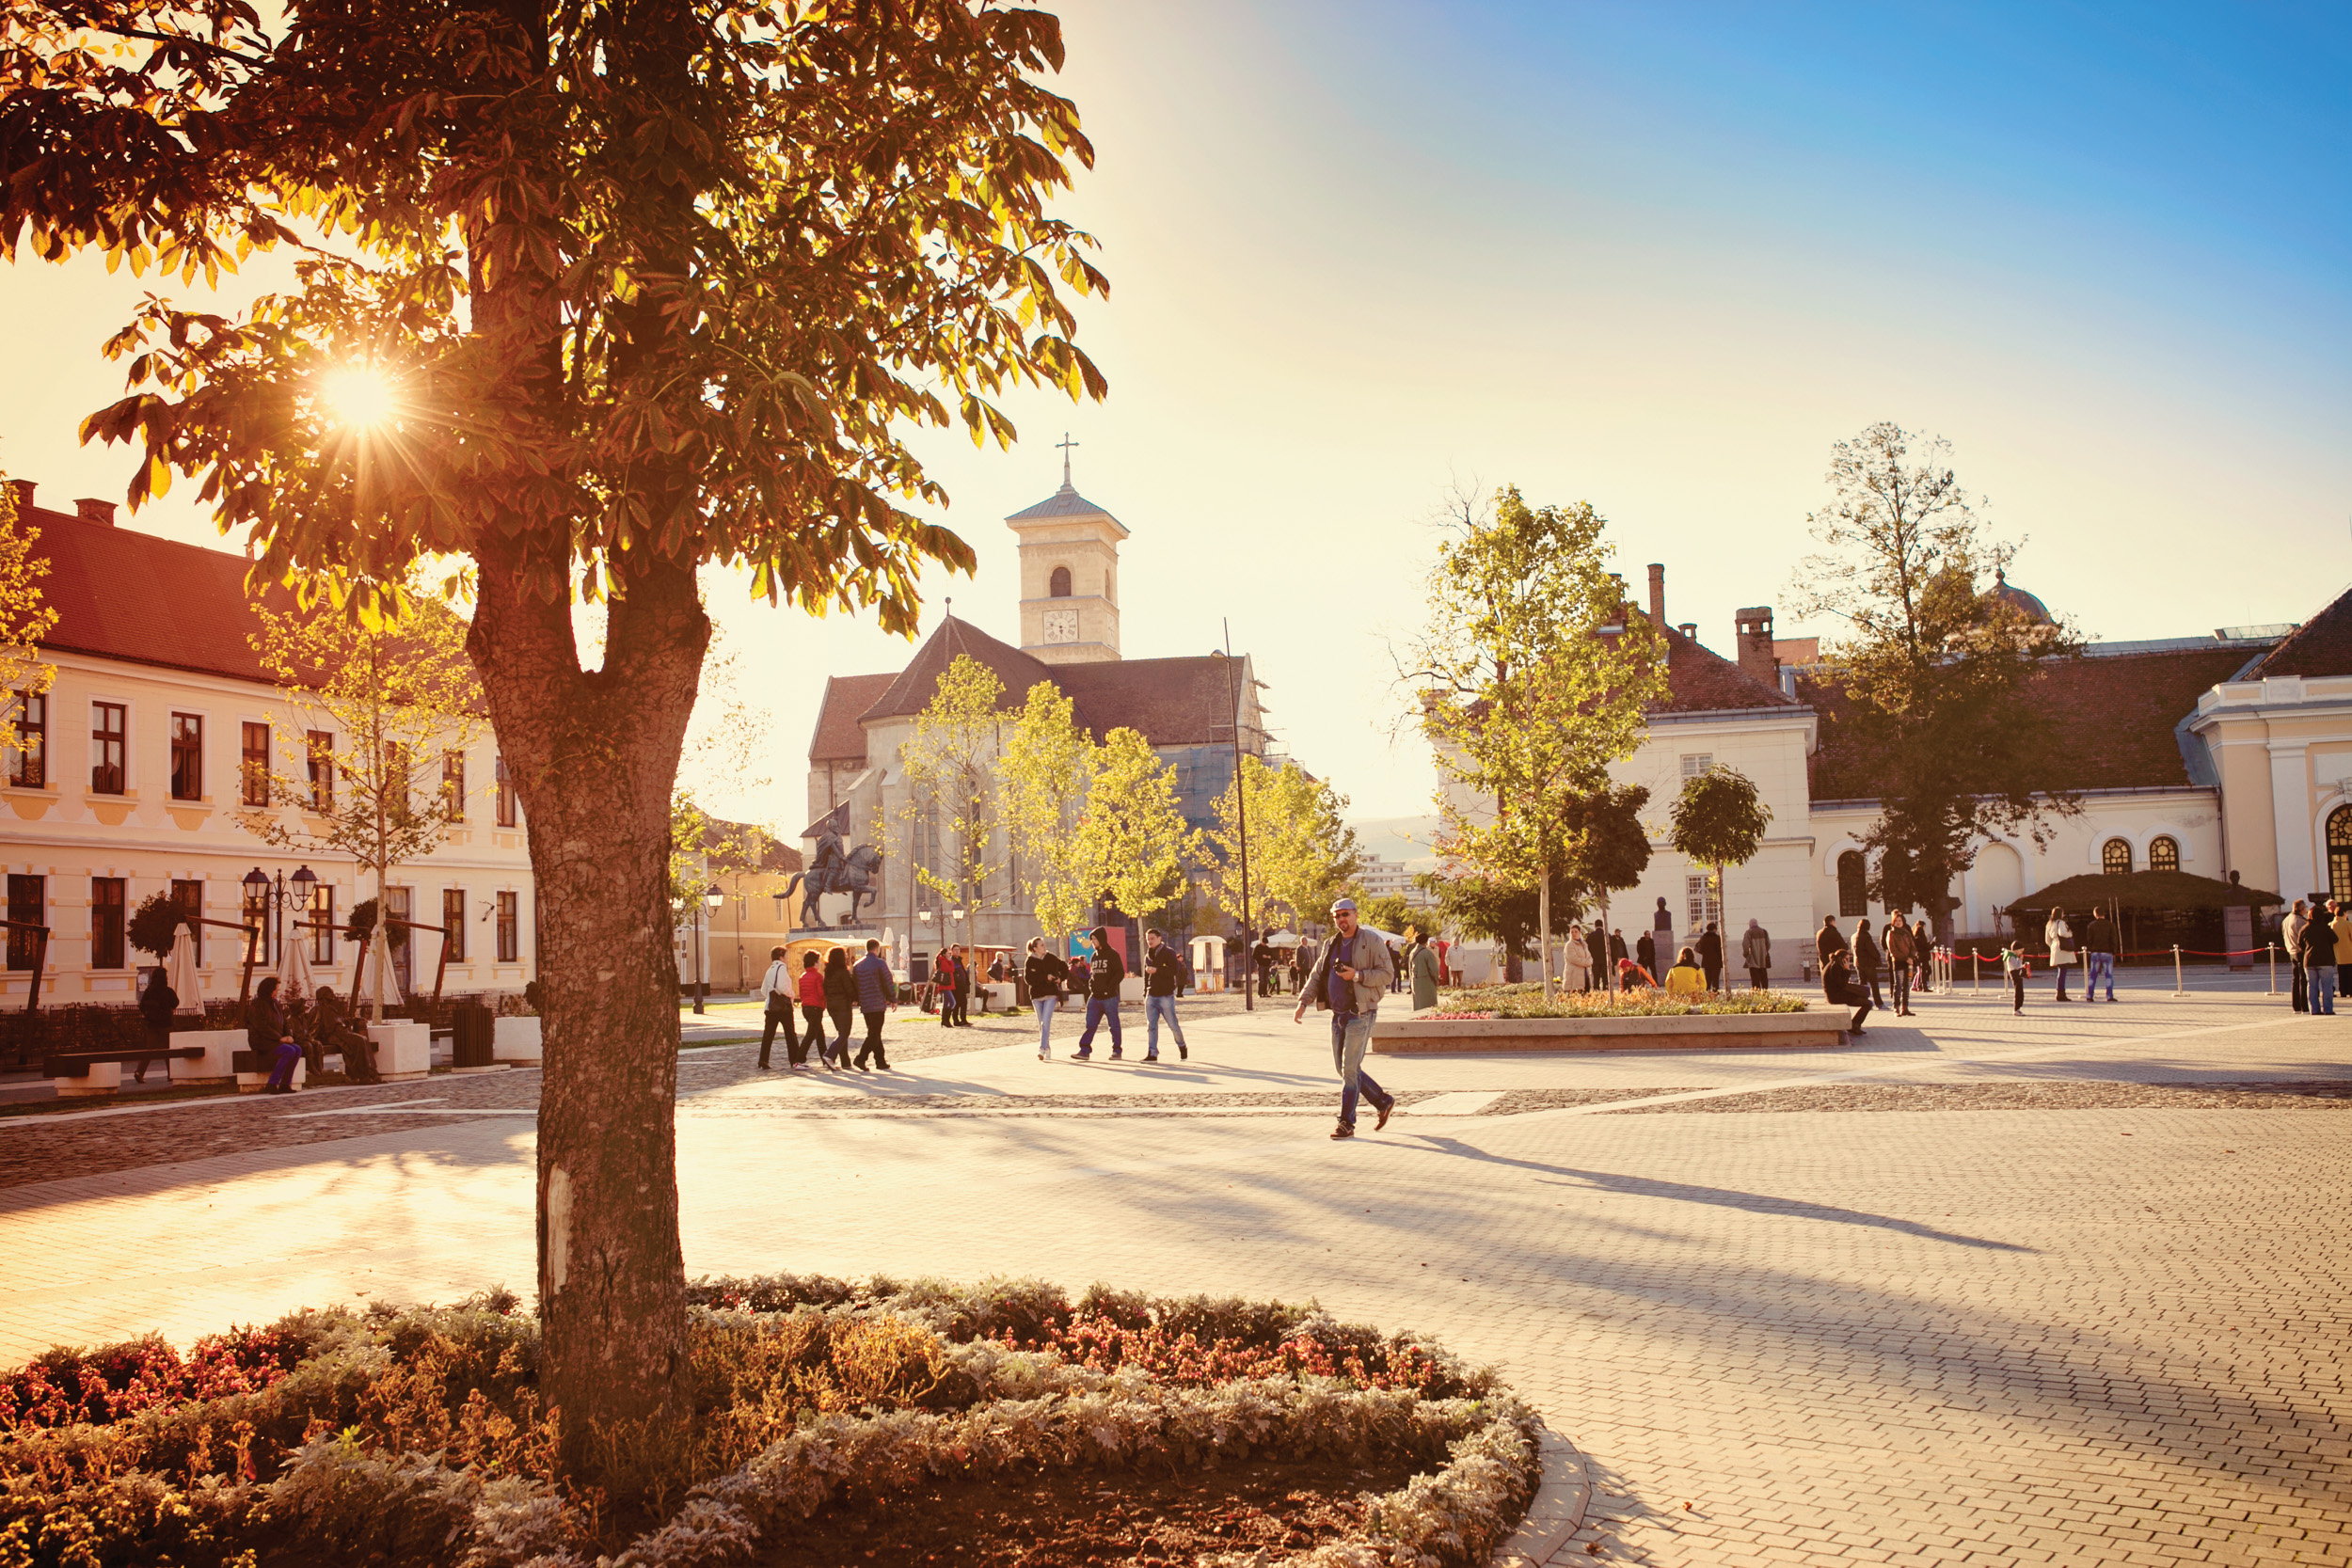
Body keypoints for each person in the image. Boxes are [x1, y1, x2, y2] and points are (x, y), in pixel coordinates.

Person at [1293, 896, 1397, 1140]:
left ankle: (1346, 1123)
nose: (1341, 919)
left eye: (1345, 914)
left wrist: (1358, 975)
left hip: (1361, 1013)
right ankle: (1383, 1101)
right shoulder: (1331, 944)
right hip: (1338, 1014)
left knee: (1350, 1068)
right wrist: (1302, 1002)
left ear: (1356, 915)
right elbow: (1317, 975)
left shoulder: (1371, 940)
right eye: (1337, 916)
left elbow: (1388, 974)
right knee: (1344, 1069)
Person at [310, 986, 379, 1084]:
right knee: (359, 1040)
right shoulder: (317, 1009)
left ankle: (371, 1071)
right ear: (324, 995)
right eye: (330, 992)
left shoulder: (332, 1008)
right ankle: (363, 1075)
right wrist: (316, 1039)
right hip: (332, 1036)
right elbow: (313, 1028)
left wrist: (349, 1021)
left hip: (342, 1033)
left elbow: (339, 1021)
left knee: (363, 1039)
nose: (333, 994)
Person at [1075, 926, 1126, 1059]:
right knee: (1090, 1025)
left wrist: (1109, 987)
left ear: (1101, 939)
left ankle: (1117, 1051)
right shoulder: (1094, 956)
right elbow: (1093, 974)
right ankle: (1084, 1051)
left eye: (1094, 939)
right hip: (1094, 997)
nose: (1093, 942)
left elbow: (1119, 973)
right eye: (1091, 940)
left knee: (1113, 1025)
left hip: (1109, 997)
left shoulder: (1113, 954)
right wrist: (1092, 986)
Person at [249, 974, 303, 1094]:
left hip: (275, 1041)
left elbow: (284, 1022)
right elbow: (261, 1027)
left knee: (297, 1049)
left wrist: (289, 1036)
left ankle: (285, 1084)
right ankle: (272, 1083)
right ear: (268, 990)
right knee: (289, 1051)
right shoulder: (257, 1004)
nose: (277, 992)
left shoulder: (276, 1004)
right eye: (275, 989)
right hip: (262, 1041)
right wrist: (279, 1038)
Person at [1142, 927, 1188, 1062]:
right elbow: (1146, 975)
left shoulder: (1169, 952)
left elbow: (1174, 970)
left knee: (1173, 1024)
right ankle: (1152, 1053)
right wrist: (1145, 992)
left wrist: (1157, 970)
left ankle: (1182, 1046)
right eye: (1148, 939)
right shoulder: (1147, 956)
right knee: (1151, 1026)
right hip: (1151, 995)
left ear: (1159, 939)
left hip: (1165, 995)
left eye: (1152, 939)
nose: (1150, 941)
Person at [852, 937, 894, 1070]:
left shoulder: (857, 965)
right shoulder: (880, 963)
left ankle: (880, 1061)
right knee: (874, 1034)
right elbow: (888, 982)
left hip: (865, 1004)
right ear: (877, 948)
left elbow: (855, 985)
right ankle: (860, 1058)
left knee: (875, 1032)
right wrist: (893, 999)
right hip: (877, 1003)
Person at [1025, 937, 1069, 1059]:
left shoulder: (1051, 958)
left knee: (1045, 1022)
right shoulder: (1029, 961)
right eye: (1042, 945)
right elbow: (1028, 980)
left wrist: (1061, 978)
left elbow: (1064, 967)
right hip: (1036, 996)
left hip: (1051, 994)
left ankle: (1042, 1048)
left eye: (1044, 944)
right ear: (1035, 948)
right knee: (1041, 1024)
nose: (1044, 947)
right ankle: (1047, 1047)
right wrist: (1045, 977)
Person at [135, 965, 177, 1085]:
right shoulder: (168, 991)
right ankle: (171, 1074)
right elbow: (175, 1002)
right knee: (168, 1050)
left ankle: (140, 1072)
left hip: (151, 1025)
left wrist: (149, 1014)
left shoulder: (149, 991)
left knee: (149, 1050)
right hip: (166, 1025)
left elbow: (142, 1005)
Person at [756, 944, 797, 1069]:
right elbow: (783, 987)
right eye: (786, 956)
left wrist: (771, 996)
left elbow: (763, 990)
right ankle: (795, 1059)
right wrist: (791, 995)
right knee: (790, 1034)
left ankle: (763, 1059)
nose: (788, 958)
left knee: (768, 1035)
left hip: (770, 1007)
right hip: (783, 1007)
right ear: (781, 957)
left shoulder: (770, 970)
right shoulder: (782, 968)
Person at [1821, 947, 1872, 1035]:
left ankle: (1854, 1025)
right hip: (1835, 997)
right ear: (1841, 959)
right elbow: (1843, 984)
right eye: (1847, 959)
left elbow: (1841, 984)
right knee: (1868, 1004)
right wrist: (1847, 970)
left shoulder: (1834, 964)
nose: (1849, 961)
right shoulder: (1834, 967)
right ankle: (1854, 1025)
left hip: (1837, 994)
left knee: (1864, 999)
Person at [797, 951, 833, 1069]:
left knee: (819, 1035)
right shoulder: (818, 976)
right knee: (811, 1035)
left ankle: (825, 1059)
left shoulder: (802, 976)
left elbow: (802, 994)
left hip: (806, 1007)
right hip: (816, 1007)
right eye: (819, 961)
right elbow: (821, 993)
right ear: (815, 963)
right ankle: (799, 1059)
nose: (820, 964)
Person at [2303, 903, 2340, 1016]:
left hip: (2309, 960)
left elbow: (2300, 943)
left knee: (2311, 986)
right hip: (2325, 960)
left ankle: (2314, 1009)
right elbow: (2335, 939)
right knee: (2327, 986)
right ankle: (2328, 1009)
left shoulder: (2305, 928)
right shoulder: (2325, 928)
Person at [822, 947, 857, 1064]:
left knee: (841, 1032)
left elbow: (825, 989)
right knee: (844, 1033)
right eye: (845, 956)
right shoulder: (843, 972)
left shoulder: (828, 972)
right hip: (843, 1005)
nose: (847, 958)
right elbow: (849, 989)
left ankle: (845, 1061)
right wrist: (856, 998)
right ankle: (830, 1055)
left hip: (831, 1006)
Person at [2084, 905, 2119, 1003]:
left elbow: (2089, 940)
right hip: (2107, 952)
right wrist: (2114, 951)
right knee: (2109, 975)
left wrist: (2091, 949)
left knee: (2093, 975)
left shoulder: (2091, 925)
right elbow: (2114, 939)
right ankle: (2109, 996)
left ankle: (2090, 995)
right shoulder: (2111, 925)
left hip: (2095, 952)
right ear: (2104, 914)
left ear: (2095, 914)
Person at [1883, 914, 1915, 1018]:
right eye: (1896, 921)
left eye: (1900, 920)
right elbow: (1893, 950)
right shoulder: (1891, 933)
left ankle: (1905, 1008)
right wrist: (1905, 958)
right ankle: (1896, 1008)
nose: (1898, 922)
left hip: (1909, 963)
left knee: (1907, 985)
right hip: (1899, 962)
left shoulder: (1906, 933)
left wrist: (1911, 957)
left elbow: (1913, 947)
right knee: (1898, 985)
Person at [2044, 908, 2075, 1003]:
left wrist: (2053, 946)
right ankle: (2060, 992)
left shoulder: (2049, 924)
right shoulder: (2060, 922)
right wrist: (2069, 934)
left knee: (2061, 970)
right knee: (2063, 970)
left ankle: (2060, 992)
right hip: (2061, 948)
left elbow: (2047, 940)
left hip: (2054, 946)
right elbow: (2062, 933)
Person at [2285, 900, 2310, 1012]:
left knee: (2295, 980)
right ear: (2302, 909)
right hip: (2300, 952)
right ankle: (2304, 1005)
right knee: (2303, 980)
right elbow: (2306, 938)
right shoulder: (2300, 922)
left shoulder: (2286, 919)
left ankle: (2296, 1006)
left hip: (2291, 951)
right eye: (2305, 907)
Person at [1410, 927, 1443, 1008]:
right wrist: (1436, 980)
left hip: (1415, 981)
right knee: (1428, 1006)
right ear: (1426, 941)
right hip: (1427, 982)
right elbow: (1434, 969)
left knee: (1418, 1005)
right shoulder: (1427, 953)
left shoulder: (1412, 952)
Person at [1854, 921, 1883, 1009]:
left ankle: (1863, 1002)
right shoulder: (1866, 936)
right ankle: (1878, 1003)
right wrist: (1878, 958)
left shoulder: (1855, 936)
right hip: (1868, 963)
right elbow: (1871, 949)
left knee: (1862, 984)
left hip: (1859, 963)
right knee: (1874, 984)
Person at [1740, 919, 1772, 992]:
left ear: (1750, 925)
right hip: (1763, 958)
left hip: (1753, 958)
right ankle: (1765, 990)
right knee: (1763, 974)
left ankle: (1756, 991)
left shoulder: (1748, 932)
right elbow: (1768, 944)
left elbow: (1745, 945)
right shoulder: (1764, 932)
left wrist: (1746, 955)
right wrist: (1764, 951)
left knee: (1755, 977)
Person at [1561, 925, 1591, 994]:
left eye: (1576, 932)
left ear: (1579, 933)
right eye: (1572, 932)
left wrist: (1588, 961)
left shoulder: (1584, 945)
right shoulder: (1569, 945)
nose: (1574, 934)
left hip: (1584, 977)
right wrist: (1587, 962)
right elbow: (1574, 959)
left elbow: (1590, 958)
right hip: (1573, 978)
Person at [1650, 896, 1675, 981]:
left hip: (1667, 931)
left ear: (1665, 904)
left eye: (1662, 903)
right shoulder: (1655, 914)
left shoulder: (1668, 914)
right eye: (1659, 903)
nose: (1660, 904)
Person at [2001, 938, 2028, 1014]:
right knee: (2018, 991)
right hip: (2015, 974)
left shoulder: (2014, 956)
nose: (2021, 953)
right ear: (2016, 950)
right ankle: (2016, 1009)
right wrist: (2020, 960)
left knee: (2020, 991)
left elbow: (2018, 966)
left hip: (2017, 974)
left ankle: (2018, 1008)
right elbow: (2016, 966)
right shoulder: (2012, 956)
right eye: (2021, 951)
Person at [1697, 922, 1724, 993]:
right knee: (1715, 979)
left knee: (1708, 978)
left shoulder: (1703, 937)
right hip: (1716, 961)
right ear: (1714, 929)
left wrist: (1705, 953)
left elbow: (1698, 948)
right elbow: (1720, 950)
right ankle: (1715, 992)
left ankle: (1707, 992)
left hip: (1706, 961)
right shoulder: (1717, 938)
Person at [1587, 926, 1610, 992]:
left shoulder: (1590, 936)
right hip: (1605, 961)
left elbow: (1587, 949)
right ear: (1603, 926)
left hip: (1594, 961)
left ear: (1595, 926)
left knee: (1596, 980)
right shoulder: (1607, 935)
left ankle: (1596, 994)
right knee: (1605, 980)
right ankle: (1606, 994)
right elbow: (1613, 948)